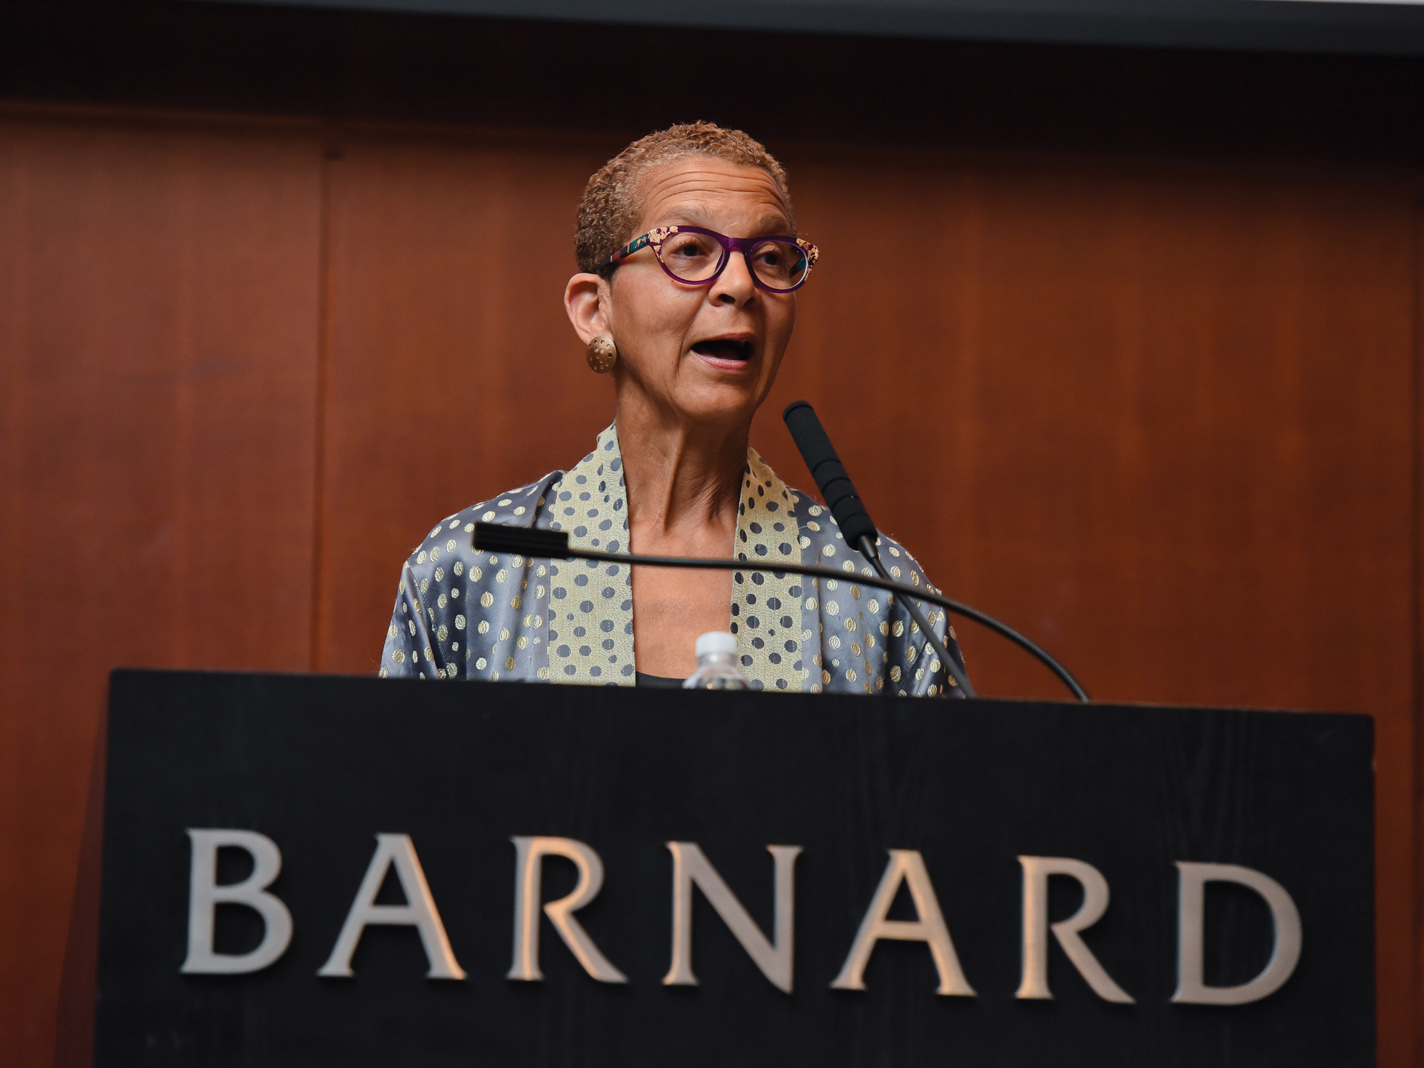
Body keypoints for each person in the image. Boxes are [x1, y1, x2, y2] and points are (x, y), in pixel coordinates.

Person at [380, 122, 963, 696]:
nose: (740, 284)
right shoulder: (473, 567)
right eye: (689, 249)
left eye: (770, 257)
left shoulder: (875, 587)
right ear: (594, 310)